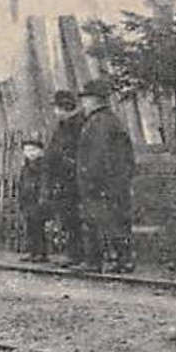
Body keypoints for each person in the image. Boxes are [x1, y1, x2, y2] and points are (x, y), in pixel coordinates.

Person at [75, 77, 136, 273]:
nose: (83, 103)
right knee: (115, 221)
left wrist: (91, 181)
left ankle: (96, 262)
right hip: (114, 183)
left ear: (94, 100)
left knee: (97, 221)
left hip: (100, 184)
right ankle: (122, 260)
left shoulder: (98, 123)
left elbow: (97, 156)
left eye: (85, 98)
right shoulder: (110, 121)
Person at [45, 89, 86, 267]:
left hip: (72, 179)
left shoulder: (76, 125)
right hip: (62, 179)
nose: (55, 111)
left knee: (74, 218)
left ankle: (77, 255)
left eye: (57, 108)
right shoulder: (63, 126)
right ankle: (73, 253)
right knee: (67, 218)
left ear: (64, 108)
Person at [16, 138, 54, 263]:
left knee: (38, 227)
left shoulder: (43, 166)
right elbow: (22, 183)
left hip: (37, 199)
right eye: (27, 150)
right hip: (28, 199)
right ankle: (31, 251)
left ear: (41, 152)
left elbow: (45, 182)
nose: (30, 153)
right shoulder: (26, 167)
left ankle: (41, 252)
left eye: (33, 150)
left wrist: (43, 197)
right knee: (30, 226)